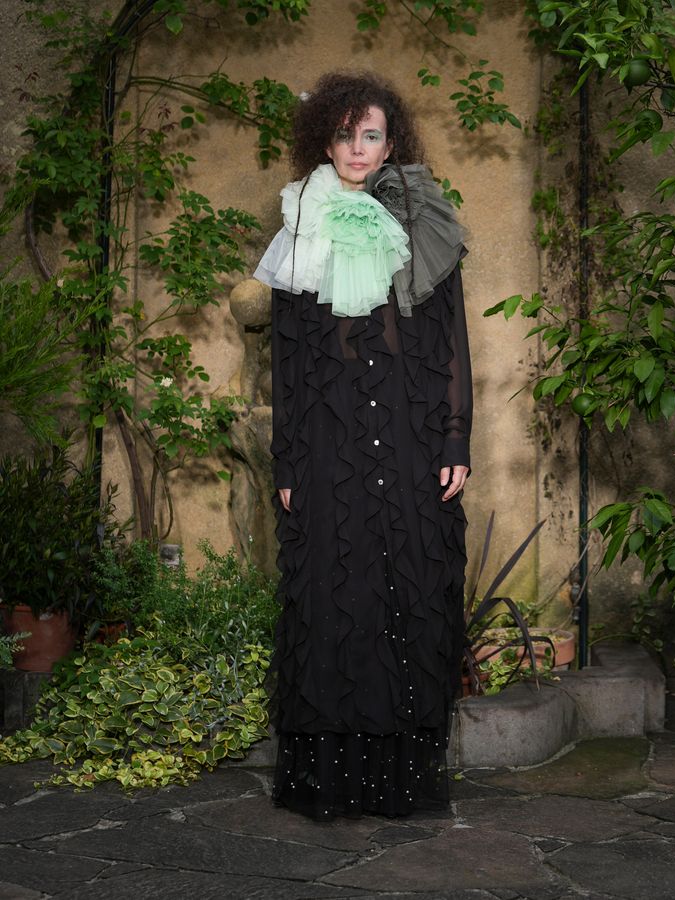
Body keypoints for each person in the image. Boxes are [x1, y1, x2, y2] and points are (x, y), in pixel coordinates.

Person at [254, 71, 472, 820]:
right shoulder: (300, 223)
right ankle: (333, 780)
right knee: (332, 592)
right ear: (326, 141)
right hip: (327, 438)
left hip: (409, 433)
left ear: (390, 143)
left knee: (406, 589)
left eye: (370, 135)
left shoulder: (423, 216)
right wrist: (287, 457)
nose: (357, 148)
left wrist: (455, 437)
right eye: (345, 135)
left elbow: (452, 338)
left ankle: (398, 777)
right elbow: (286, 358)